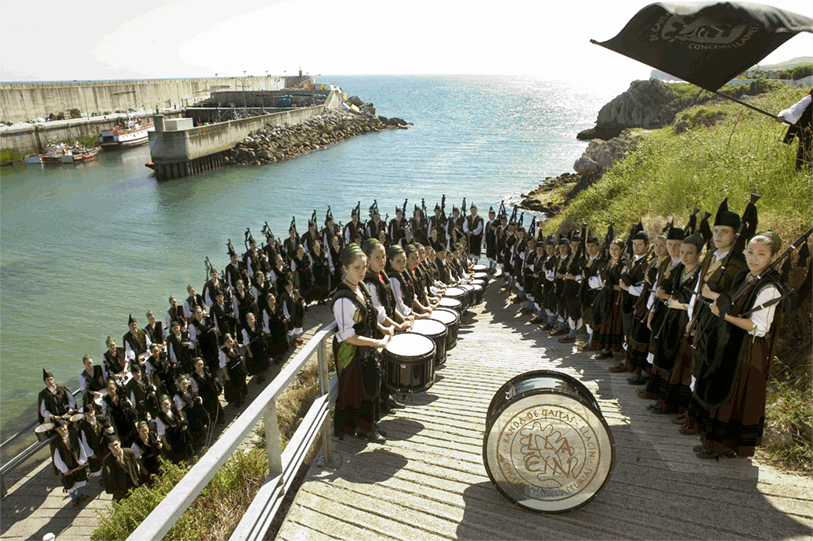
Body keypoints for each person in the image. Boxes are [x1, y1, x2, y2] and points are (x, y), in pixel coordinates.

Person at [693, 233, 785, 459]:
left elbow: (758, 327)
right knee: (723, 392)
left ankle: (721, 446)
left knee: (733, 396)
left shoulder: (769, 288)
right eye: (750, 252)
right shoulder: (745, 276)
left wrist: (724, 316)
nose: (754, 258)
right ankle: (714, 443)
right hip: (731, 342)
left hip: (747, 350)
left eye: (761, 254)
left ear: (773, 257)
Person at [331, 243, 393, 442]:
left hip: (365, 347)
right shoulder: (343, 300)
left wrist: (381, 329)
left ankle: (369, 427)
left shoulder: (360, 286)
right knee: (359, 392)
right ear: (344, 268)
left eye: (364, 267)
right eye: (356, 268)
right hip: (351, 352)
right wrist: (376, 342)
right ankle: (364, 430)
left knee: (370, 387)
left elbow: (369, 314)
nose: (361, 271)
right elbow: (348, 336)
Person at [50, 418, 90, 509]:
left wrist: (82, 462)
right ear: (56, 430)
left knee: (79, 479)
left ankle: (80, 495)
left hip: (77, 463)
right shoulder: (54, 442)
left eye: (63, 426)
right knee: (69, 483)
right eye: (59, 428)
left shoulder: (74, 434)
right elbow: (56, 458)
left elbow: (81, 447)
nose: (62, 429)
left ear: (66, 425)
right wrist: (64, 470)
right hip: (66, 467)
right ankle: (74, 499)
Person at [102, 434, 150, 501]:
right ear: (109, 448)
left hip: (132, 481)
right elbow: (106, 477)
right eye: (112, 446)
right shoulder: (107, 460)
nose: (115, 447)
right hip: (120, 486)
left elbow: (134, 466)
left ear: (119, 442)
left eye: (116, 444)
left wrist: (137, 479)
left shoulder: (129, 452)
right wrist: (113, 490)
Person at [777, 88, 812, 171]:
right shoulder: (810, 98)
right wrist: (783, 117)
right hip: (808, 134)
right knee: (805, 157)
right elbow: (795, 109)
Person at [77, 404, 114, 481]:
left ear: (94, 411)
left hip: (104, 446)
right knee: (98, 466)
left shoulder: (101, 418)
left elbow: (110, 430)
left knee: (109, 463)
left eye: (91, 412)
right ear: (84, 415)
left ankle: (112, 477)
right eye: (87, 414)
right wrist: (90, 453)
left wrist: (108, 429)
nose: (90, 415)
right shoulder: (82, 426)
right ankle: (102, 479)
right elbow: (84, 441)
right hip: (93, 449)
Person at [155, 394, 194, 463]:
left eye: (168, 404)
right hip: (171, 437)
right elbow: (161, 433)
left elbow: (179, 417)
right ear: (161, 406)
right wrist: (166, 444)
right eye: (164, 405)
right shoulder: (160, 417)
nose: (167, 406)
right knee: (177, 455)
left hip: (179, 433)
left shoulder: (172, 409)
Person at [173, 375, 209, 444]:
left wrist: (199, 399)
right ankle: (196, 442)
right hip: (188, 413)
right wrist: (182, 419)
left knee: (198, 424)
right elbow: (179, 410)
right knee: (193, 427)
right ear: (179, 385)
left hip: (194, 410)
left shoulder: (189, 390)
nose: (185, 386)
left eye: (186, 384)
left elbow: (194, 397)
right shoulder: (177, 396)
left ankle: (202, 437)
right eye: (183, 384)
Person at [103, 379, 138, 446]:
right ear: (107, 390)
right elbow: (106, 414)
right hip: (118, 424)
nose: (112, 391)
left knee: (135, 437)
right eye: (110, 389)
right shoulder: (105, 401)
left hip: (127, 419)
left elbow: (130, 404)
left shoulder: (121, 395)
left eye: (113, 388)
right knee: (125, 442)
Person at [190, 357, 224, 425]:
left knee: (216, 404)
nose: (201, 367)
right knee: (209, 408)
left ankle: (219, 418)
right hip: (203, 394)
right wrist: (198, 398)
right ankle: (212, 422)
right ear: (194, 366)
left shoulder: (206, 370)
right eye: (198, 365)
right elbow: (195, 390)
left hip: (211, 391)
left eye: (201, 364)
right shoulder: (193, 378)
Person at [219, 333, 249, 407]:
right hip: (231, 371)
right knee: (234, 387)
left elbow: (238, 355)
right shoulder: (223, 352)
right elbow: (223, 365)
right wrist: (226, 375)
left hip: (239, 368)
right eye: (228, 342)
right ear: (225, 343)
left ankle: (242, 396)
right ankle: (236, 400)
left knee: (241, 382)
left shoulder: (235, 346)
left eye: (231, 341)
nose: (230, 343)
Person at [242, 312, 270, 384]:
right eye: (250, 320)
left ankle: (261, 373)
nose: (252, 321)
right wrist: (249, 352)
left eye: (252, 319)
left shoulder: (258, 325)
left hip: (260, 345)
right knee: (255, 363)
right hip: (253, 348)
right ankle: (258, 376)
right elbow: (246, 343)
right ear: (247, 321)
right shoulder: (245, 330)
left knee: (262, 360)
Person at [262, 294, 289, 364]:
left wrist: (284, 319)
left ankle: (280, 355)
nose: (272, 301)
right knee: (273, 344)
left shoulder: (278, 307)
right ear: (267, 301)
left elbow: (282, 315)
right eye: (270, 300)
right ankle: (275, 357)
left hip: (279, 327)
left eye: (273, 300)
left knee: (280, 342)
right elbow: (265, 322)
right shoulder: (266, 310)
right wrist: (267, 331)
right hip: (272, 329)